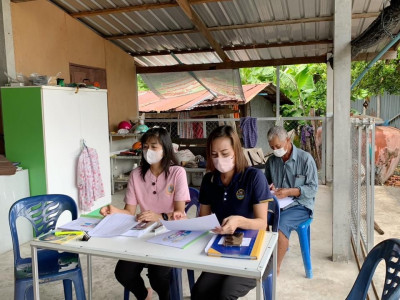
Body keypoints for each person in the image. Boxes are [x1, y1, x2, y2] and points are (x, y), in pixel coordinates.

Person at [100, 127, 190, 300]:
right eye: (145, 146)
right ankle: (144, 295)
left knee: (158, 276)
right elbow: (129, 212)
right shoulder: (136, 175)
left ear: (165, 148)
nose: (149, 150)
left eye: (154, 146)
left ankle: (165, 296)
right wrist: (114, 211)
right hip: (142, 233)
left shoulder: (177, 172)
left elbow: (180, 214)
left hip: (169, 234)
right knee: (123, 272)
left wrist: (160, 217)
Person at [191, 125, 273, 300]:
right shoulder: (209, 180)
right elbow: (204, 219)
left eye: (225, 153)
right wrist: (187, 221)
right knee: (199, 293)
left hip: (255, 249)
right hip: (223, 246)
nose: (219, 159)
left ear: (236, 151)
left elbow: (262, 223)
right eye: (214, 155)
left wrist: (239, 221)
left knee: (226, 293)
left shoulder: (253, 177)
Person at [264, 126, 318, 275]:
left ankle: (275, 268)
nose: (275, 150)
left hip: (300, 205)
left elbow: (313, 189)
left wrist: (290, 191)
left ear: (288, 140)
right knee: (258, 217)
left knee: (281, 226)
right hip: (278, 203)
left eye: (278, 146)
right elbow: (266, 183)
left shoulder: (305, 159)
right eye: (272, 147)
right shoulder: (272, 161)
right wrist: (270, 188)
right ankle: (261, 258)